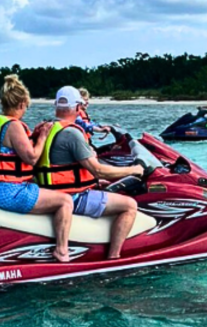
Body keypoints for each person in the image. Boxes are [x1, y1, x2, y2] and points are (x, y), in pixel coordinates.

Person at [35, 86, 144, 260]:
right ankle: (114, 257)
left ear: (56, 106)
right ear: (78, 108)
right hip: (73, 197)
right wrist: (134, 170)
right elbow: (98, 169)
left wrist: (94, 181)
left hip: (50, 193)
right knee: (130, 205)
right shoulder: (71, 134)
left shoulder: (48, 128)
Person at [0, 74, 74, 262]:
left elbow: (11, 149)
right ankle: (62, 251)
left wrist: (34, 134)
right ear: (22, 104)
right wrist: (43, 136)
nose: (26, 111)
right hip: (9, 192)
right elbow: (31, 158)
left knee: (45, 190)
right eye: (26, 107)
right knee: (65, 201)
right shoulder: (14, 126)